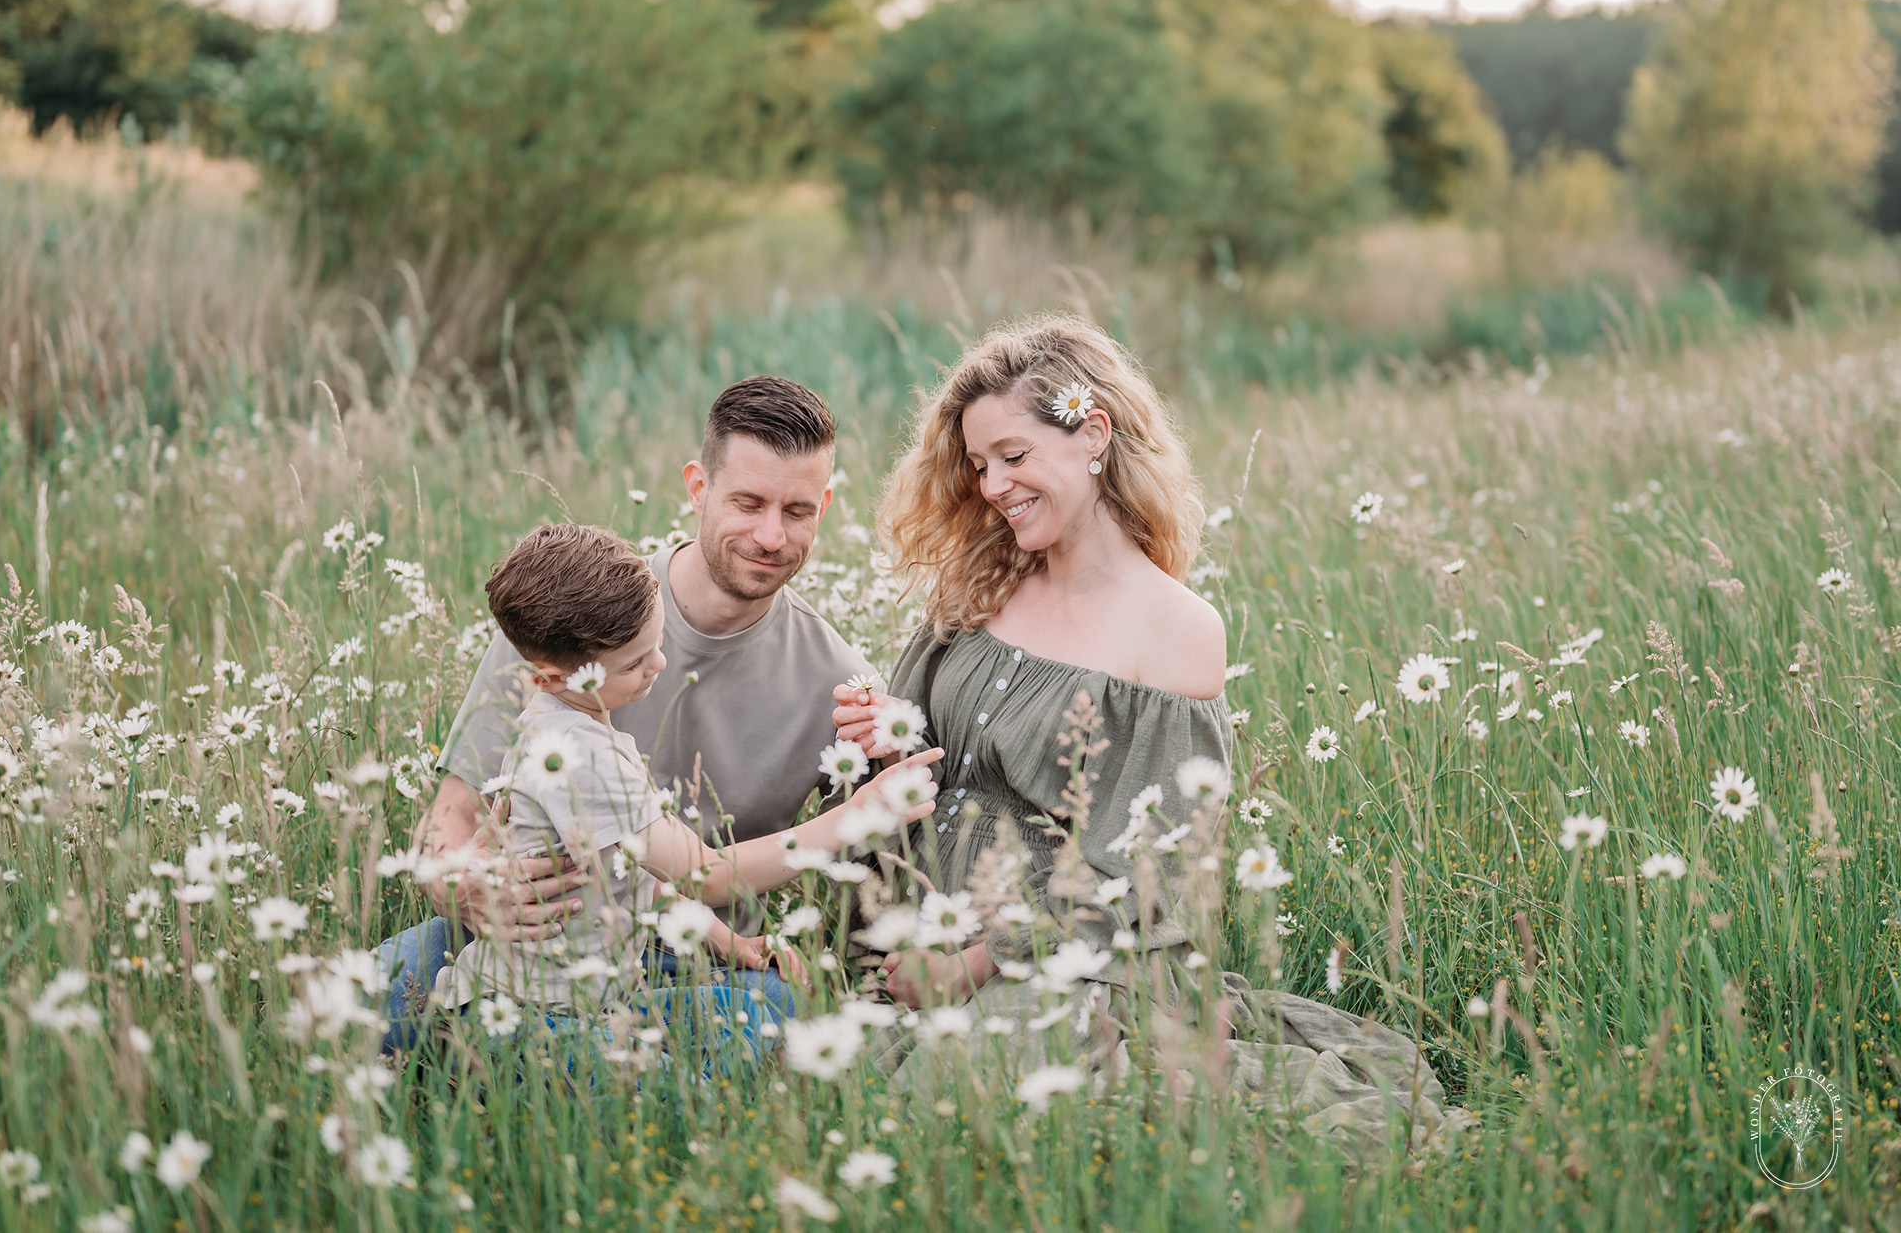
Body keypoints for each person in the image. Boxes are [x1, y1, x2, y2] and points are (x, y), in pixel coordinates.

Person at [833, 314, 1464, 1148]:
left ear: (1093, 434)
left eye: (1014, 457)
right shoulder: (982, 583)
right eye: (980, 465)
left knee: (958, 1097)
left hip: (1056, 954)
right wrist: (886, 736)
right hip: (916, 920)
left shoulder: (1175, 630)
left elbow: (1138, 868)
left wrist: (972, 962)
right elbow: (926, 759)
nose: (992, 486)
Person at [379, 377, 874, 1050]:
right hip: (530, 938)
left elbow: (886, 855)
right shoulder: (577, 616)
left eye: (798, 510)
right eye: (748, 502)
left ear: (825, 507)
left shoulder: (840, 679)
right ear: (697, 488)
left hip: (691, 957)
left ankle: (553, 1066)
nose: (770, 534)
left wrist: (892, 758)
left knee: (779, 1009)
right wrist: (461, 886)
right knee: (358, 999)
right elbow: (451, 811)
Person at [440, 520, 938, 1038]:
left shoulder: (584, 729)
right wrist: (855, 817)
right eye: (635, 663)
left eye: (657, 644)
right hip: (534, 1012)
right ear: (550, 676)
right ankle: (456, 1047)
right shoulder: (575, 756)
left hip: (594, 990)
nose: (658, 665)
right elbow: (704, 874)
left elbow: (641, 879)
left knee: (775, 1006)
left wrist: (733, 944)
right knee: (677, 1095)